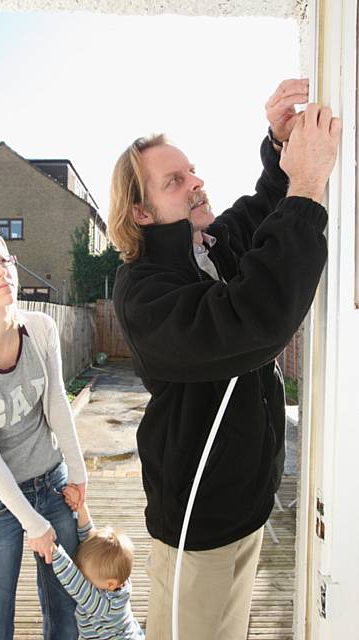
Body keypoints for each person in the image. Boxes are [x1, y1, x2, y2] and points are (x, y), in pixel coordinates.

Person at [107, 79, 342, 640]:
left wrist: (279, 144)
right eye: (175, 181)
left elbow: (264, 207)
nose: (196, 183)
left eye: (192, 171)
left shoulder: (210, 245)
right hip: (197, 522)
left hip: (248, 508)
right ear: (140, 212)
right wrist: (307, 183)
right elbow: (254, 319)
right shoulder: (143, 291)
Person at [0, 232, 88, 640]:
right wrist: (34, 524)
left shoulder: (39, 329)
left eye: (4, 260)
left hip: (53, 484)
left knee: (66, 618)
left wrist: (78, 475)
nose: (1, 271)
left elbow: (58, 403)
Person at [52, 488, 144, 639]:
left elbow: (76, 584)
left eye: (87, 579)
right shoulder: (116, 577)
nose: (84, 579)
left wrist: (53, 551)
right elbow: (89, 542)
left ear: (110, 584)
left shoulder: (106, 607)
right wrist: (81, 507)